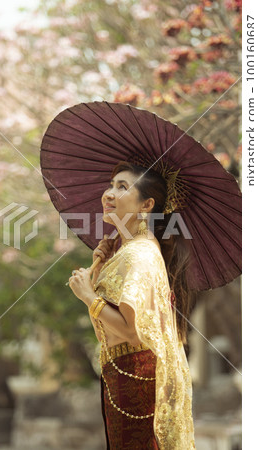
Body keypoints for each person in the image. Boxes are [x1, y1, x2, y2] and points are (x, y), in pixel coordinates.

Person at [68, 161, 196, 449]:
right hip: (124, 372)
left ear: (146, 205)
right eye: (111, 185)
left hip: (136, 376)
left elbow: (130, 330)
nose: (108, 194)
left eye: (122, 187)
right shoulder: (128, 249)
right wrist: (99, 268)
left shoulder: (138, 255)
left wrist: (89, 296)